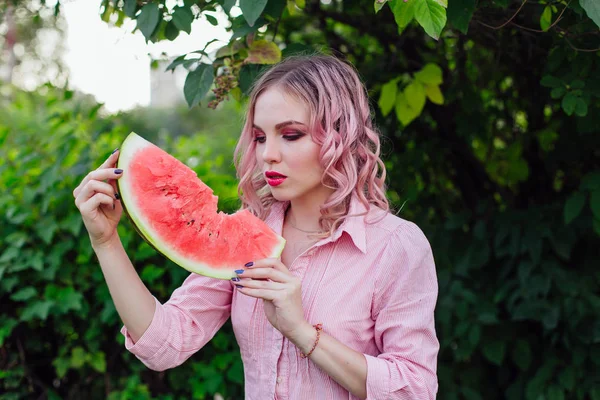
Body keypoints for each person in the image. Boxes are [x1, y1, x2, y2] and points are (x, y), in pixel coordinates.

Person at [73, 54, 439, 400]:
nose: (267, 155)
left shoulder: (396, 246)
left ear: (339, 136)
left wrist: (302, 332)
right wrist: (106, 243)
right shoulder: (247, 235)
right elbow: (165, 344)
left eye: (291, 135)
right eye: (261, 137)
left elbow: (415, 389)